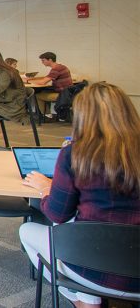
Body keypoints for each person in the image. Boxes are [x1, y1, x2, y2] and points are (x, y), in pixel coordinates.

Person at [19, 82, 140, 307]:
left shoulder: (74, 155)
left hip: (94, 270)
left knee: (30, 230)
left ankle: (84, 299)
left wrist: (46, 188)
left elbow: (58, 214)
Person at [28, 52, 76, 121]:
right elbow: (47, 77)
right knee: (44, 91)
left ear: (50, 60)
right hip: (68, 93)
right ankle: (47, 114)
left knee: (37, 95)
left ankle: (47, 115)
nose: (42, 62)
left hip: (62, 95)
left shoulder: (56, 69)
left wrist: (28, 81)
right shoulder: (62, 67)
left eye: (43, 60)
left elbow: (43, 82)